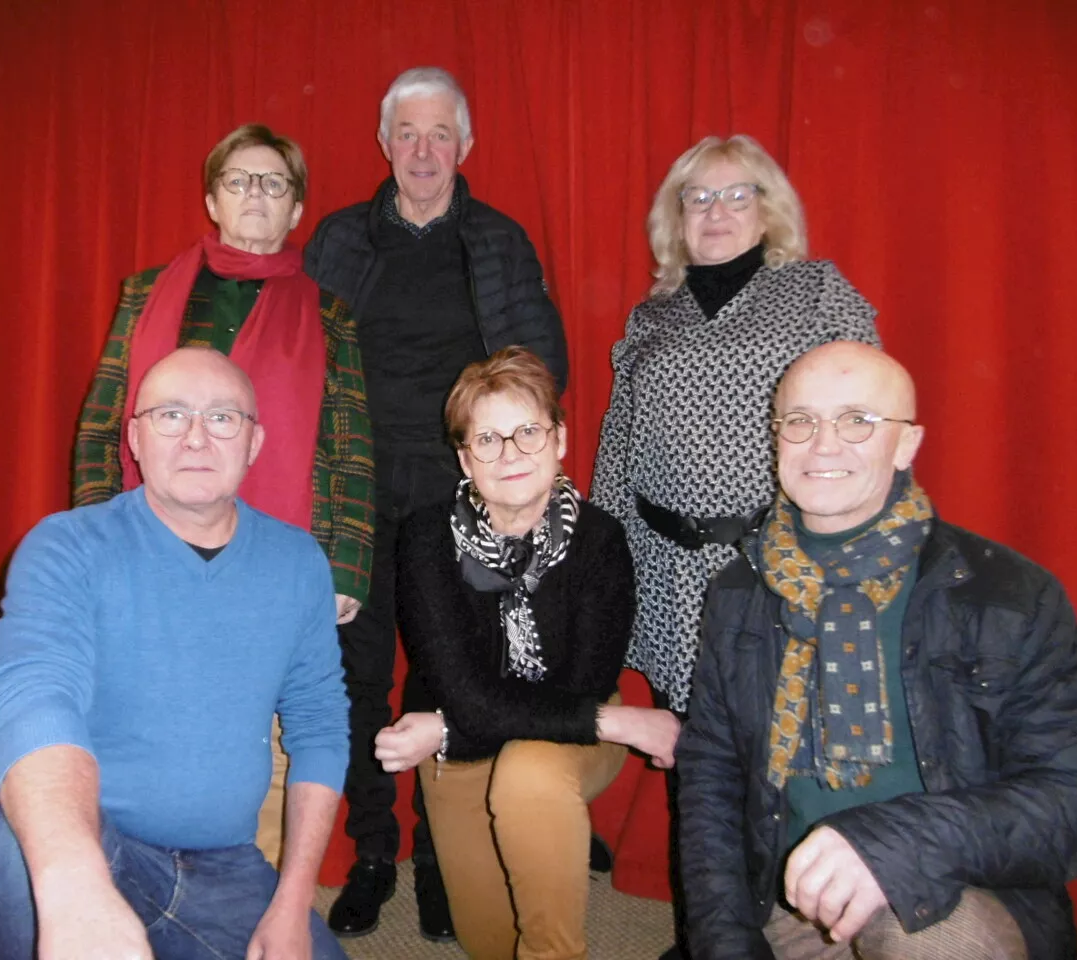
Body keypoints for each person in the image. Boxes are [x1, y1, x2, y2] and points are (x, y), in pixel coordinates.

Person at [677, 341, 1077, 960]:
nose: (823, 444)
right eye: (800, 421)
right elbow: (709, 776)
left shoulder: (1008, 594)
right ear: (777, 441)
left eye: (857, 421)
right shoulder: (740, 591)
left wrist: (893, 844)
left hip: (958, 892)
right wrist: (724, 941)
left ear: (906, 444)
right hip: (789, 905)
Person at [588, 134, 880, 958]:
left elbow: (863, 417)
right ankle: (715, 926)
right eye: (697, 198)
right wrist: (600, 558)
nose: (715, 212)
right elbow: (621, 441)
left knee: (783, 750)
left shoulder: (817, 293)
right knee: (700, 761)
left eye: (736, 194)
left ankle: (780, 915)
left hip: (778, 565)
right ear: (674, 219)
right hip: (671, 568)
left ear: (770, 208)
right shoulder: (653, 315)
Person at [0, 348, 351, 959]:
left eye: (223, 418)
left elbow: (321, 727)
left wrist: (291, 900)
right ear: (135, 439)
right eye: (171, 415)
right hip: (99, 844)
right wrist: (77, 888)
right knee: (13, 847)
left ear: (254, 443)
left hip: (228, 870)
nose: (196, 437)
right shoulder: (66, 546)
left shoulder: (297, 561)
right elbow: (34, 697)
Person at [304, 66, 567, 940]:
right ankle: (375, 851)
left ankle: (439, 859)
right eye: (407, 134)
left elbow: (541, 371)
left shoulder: (498, 241)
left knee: (452, 679)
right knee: (358, 682)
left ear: (466, 147)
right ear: (385, 144)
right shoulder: (340, 240)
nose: (423, 151)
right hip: (355, 495)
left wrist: (507, 472)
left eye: (440, 135)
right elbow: (300, 360)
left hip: (462, 497)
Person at [72, 123, 373, 865]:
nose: (255, 196)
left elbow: (350, 443)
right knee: (145, 713)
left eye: (274, 183)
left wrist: (344, 565)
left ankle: (252, 889)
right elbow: (104, 420)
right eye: (240, 180)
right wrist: (92, 542)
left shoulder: (330, 314)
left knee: (264, 734)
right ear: (213, 197)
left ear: (297, 209)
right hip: (150, 545)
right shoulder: (147, 293)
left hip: (270, 557)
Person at [374, 347, 679, 960]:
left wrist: (445, 726)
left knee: (528, 775)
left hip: (561, 741)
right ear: (464, 458)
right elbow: (464, 693)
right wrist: (618, 719)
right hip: (465, 748)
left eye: (527, 432)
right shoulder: (427, 537)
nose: (510, 454)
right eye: (487, 438)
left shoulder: (600, 541)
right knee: (491, 942)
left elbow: (581, 688)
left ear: (559, 439)